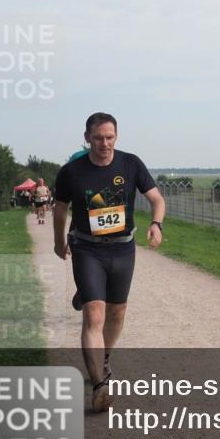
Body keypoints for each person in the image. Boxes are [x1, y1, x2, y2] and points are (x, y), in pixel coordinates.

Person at [52, 112, 166, 411]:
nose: (105, 143)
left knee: (117, 314)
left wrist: (156, 224)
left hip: (122, 250)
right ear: (87, 137)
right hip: (87, 249)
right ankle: (100, 384)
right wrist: (58, 240)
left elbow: (157, 199)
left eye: (110, 137)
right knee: (95, 316)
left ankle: (102, 358)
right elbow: (60, 209)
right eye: (99, 137)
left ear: (116, 136)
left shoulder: (131, 164)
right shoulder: (71, 172)